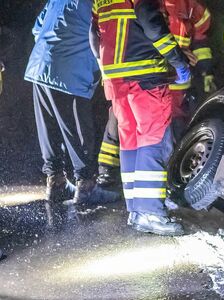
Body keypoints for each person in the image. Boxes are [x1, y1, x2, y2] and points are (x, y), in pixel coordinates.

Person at [90, 0, 191, 235]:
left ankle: (136, 209)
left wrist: (104, 66)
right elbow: (151, 23)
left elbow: (93, 34)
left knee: (130, 141)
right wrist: (178, 60)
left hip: (115, 78)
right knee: (154, 139)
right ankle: (151, 212)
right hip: (144, 73)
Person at [96, 0, 215, 189]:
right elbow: (150, 27)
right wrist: (176, 57)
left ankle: (147, 195)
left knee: (150, 138)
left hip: (165, 79)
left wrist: (204, 70)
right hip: (150, 75)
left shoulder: (191, 6)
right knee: (146, 138)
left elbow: (201, 38)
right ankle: (112, 181)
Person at [24, 0, 118, 204]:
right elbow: (107, 33)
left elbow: (37, 27)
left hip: (40, 66)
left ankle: (56, 182)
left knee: (48, 129)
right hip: (70, 70)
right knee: (77, 131)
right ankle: (86, 186)